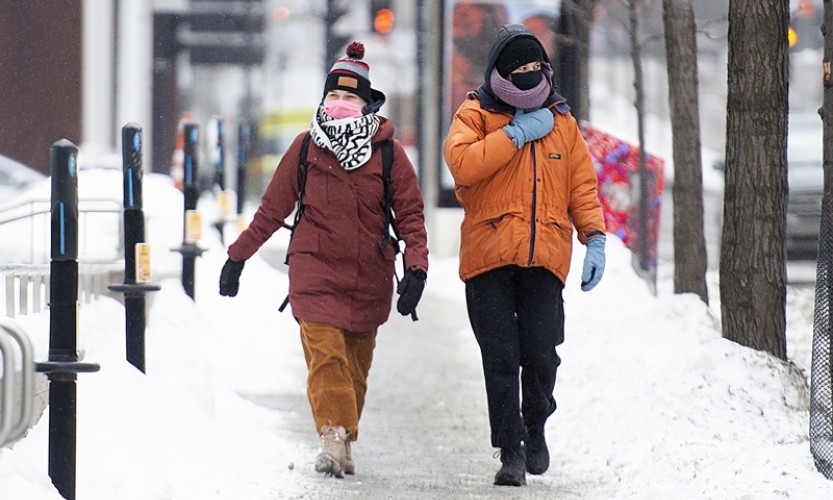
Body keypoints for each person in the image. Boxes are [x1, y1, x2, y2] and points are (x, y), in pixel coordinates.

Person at [218, 42, 429, 479]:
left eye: (350, 97)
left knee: (354, 368)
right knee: (326, 358)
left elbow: (410, 215)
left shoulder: (389, 152)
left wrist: (417, 268)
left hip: (369, 275)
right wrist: (237, 257)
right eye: (333, 96)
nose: (340, 104)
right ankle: (332, 436)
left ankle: (344, 439)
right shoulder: (304, 148)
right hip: (314, 271)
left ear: (367, 102)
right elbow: (271, 211)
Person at [443, 24, 606, 487]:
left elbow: (582, 187)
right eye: (520, 72)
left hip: (545, 258)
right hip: (488, 258)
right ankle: (510, 449)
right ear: (500, 73)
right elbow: (463, 166)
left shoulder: (564, 123)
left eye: (537, 70)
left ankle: (535, 427)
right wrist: (513, 135)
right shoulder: (474, 114)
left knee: (541, 356)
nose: (530, 78)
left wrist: (594, 237)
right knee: (500, 358)